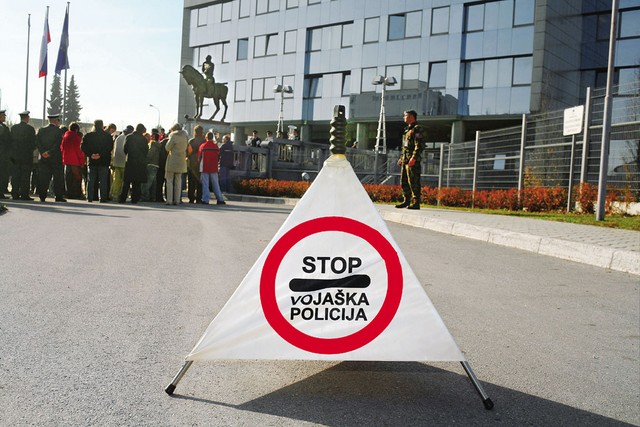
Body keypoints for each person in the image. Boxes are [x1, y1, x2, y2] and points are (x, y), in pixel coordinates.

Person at [395, 110, 425, 210]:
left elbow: (419, 145)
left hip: (412, 161)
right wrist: (401, 158)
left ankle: (416, 202)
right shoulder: (407, 130)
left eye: (406, 116)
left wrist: (414, 158)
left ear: (411, 117)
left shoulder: (417, 129)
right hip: (405, 160)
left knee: (414, 181)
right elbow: (405, 147)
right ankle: (406, 200)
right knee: (404, 181)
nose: (404, 117)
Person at [36, 113, 66, 202]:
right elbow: (57, 144)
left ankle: (42, 196)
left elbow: (37, 142)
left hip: (44, 158)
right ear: (55, 120)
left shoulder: (41, 130)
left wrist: (43, 152)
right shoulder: (59, 131)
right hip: (55, 158)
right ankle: (58, 196)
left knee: (43, 178)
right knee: (57, 178)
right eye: (58, 120)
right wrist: (50, 152)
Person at [82, 119, 113, 202]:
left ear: (94, 126)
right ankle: (103, 198)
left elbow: (83, 147)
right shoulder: (107, 136)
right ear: (102, 126)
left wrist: (91, 154)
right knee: (103, 181)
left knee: (91, 180)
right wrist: (100, 155)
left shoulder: (88, 136)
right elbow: (109, 147)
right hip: (103, 161)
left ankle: (89, 197)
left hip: (92, 161)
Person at [118, 123, 148, 204]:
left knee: (126, 181)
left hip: (130, 161)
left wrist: (128, 155)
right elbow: (146, 151)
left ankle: (122, 198)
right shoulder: (144, 139)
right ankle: (135, 199)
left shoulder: (129, 137)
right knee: (137, 182)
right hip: (140, 162)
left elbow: (125, 149)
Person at [9, 111, 36, 200]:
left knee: (15, 175)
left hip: (15, 156)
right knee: (25, 176)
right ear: (27, 118)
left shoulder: (14, 128)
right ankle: (24, 194)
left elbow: (11, 142)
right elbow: (34, 143)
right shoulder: (30, 129)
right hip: (26, 156)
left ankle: (14, 193)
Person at [199, 131, 226, 205]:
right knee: (216, 184)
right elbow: (218, 156)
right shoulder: (216, 146)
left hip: (205, 167)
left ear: (206, 137)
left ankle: (205, 199)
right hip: (214, 167)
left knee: (205, 184)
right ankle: (220, 199)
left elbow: (199, 157)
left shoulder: (203, 146)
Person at [164, 123, 188, 206]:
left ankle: (169, 200)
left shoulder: (173, 136)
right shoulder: (185, 136)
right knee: (178, 181)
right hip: (181, 160)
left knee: (169, 180)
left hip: (173, 160)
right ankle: (177, 200)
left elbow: (167, 147)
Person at [60, 122, 85, 199]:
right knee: (76, 179)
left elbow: (62, 148)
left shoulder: (65, 136)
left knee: (68, 178)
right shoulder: (77, 138)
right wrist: (82, 161)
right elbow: (79, 150)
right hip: (75, 161)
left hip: (66, 160)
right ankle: (76, 194)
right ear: (76, 129)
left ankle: (68, 193)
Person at [111, 125, 133, 200]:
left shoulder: (118, 137)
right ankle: (122, 195)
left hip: (116, 162)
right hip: (125, 163)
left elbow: (114, 150)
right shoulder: (128, 138)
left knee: (116, 180)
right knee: (124, 181)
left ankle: (114, 195)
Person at [186, 125, 205, 203]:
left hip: (192, 163)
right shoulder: (204, 141)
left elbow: (188, 152)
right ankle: (199, 198)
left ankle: (191, 197)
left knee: (191, 181)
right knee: (199, 181)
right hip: (201, 163)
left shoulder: (191, 141)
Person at [142, 133, 161, 202]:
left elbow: (150, 155)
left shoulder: (153, 145)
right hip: (156, 165)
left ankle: (145, 197)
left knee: (147, 182)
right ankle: (152, 197)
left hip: (151, 164)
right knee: (153, 183)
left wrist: (145, 161)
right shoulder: (158, 145)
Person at [0, 109, 11, 199]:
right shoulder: (3, 128)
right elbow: (7, 141)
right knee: (2, 174)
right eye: (3, 116)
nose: (5, 117)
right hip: (2, 155)